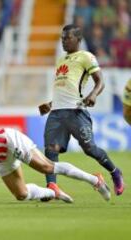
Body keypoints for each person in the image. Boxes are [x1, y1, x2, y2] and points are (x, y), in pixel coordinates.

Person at [38, 24, 124, 196]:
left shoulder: (86, 57)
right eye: (62, 38)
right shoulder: (61, 60)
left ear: (78, 39)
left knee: (90, 149)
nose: (64, 41)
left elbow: (100, 81)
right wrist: (50, 103)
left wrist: (93, 95)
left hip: (76, 112)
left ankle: (115, 172)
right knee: (51, 149)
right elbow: (64, 87)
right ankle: (52, 187)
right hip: (56, 112)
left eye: (67, 38)